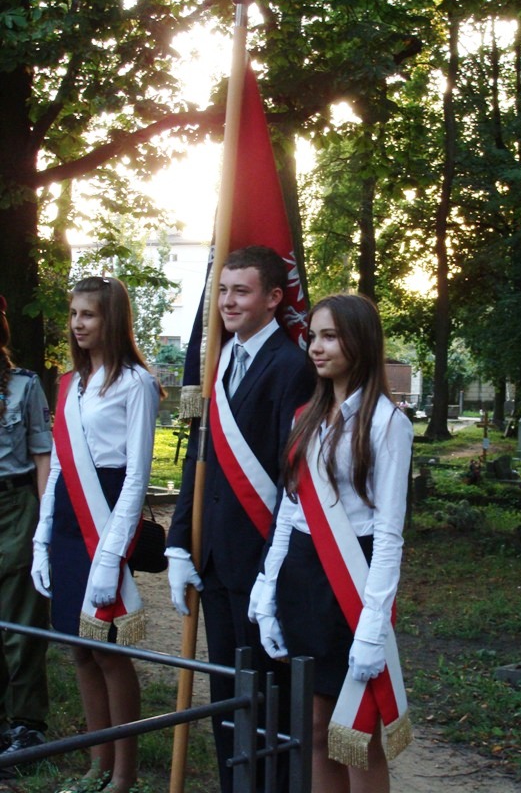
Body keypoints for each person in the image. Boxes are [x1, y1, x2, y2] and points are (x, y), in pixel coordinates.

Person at [166, 245, 314, 793]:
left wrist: (272, 573)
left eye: (241, 291)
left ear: (274, 298)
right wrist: (179, 541)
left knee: (266, 699)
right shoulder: (219, 357)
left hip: (261, 561)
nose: (226, 302)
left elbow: (290, 481)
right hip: (213, 555)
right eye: (223, 290)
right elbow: (198, 457)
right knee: (227, 694)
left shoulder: (293, 368)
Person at [254, 293, 413, 793]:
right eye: (313, 336)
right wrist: (267, 587)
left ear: (359, 341)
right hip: (302, 577)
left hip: (352, 583)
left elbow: (389, 534)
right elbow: (290, 510)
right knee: (317, 727)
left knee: (357, 736)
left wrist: (373, 626)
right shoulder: (306, 415)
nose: (315, 348)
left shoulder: (388, 424)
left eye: (329, 336)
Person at [31, 277, 161, 793]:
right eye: (73, 314)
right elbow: (60, 466)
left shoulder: (136, 383)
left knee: (107, 650)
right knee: (78, 649)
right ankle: (96, 765)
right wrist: (42, 539)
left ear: (113, 319)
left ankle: (124, 774)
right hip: (68, 521)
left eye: (88, 314)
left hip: (106, 519)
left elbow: (137, 475)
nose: (77, 324)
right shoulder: (70, 384)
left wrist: (111, 555)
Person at [0, 295, 52, 771]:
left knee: (20, 620)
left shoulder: (24, 385)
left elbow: (41, 456)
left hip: (15, 506)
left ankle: (27, 725)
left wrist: (43, 525)